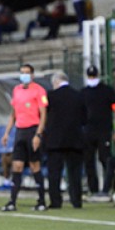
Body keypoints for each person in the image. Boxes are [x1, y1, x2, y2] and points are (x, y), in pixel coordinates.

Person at [1, 63, 48, 211]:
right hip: (20, 131)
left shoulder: (39, 91)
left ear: (32, 75)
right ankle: (12, 201)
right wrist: (7, 132)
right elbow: (13, 114)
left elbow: (43, 115)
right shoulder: (16, 90)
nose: (24, 75)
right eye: (22, 72)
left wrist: (38, 135)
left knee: (35, 165)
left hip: (32, 130)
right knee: (17, 165)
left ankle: (41, 201)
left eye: (27, 73)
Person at [44, 71, 87, 209]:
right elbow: (84, 118)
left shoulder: (50, 96)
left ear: (55, 82)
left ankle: (56, 201)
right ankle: (76, 200)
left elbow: (44, 116)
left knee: (55, 173)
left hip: (55, 140)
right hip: (75, 139)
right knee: (75, 173)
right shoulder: (79, 95)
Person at [82, 65, 115, 201]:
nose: (92, 79)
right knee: (89, 161)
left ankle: (111, 187)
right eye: (90, 76)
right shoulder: (83, 92)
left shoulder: (107, 91)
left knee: (106, 159)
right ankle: (93, 189)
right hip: (87, 131)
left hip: (104, 130)